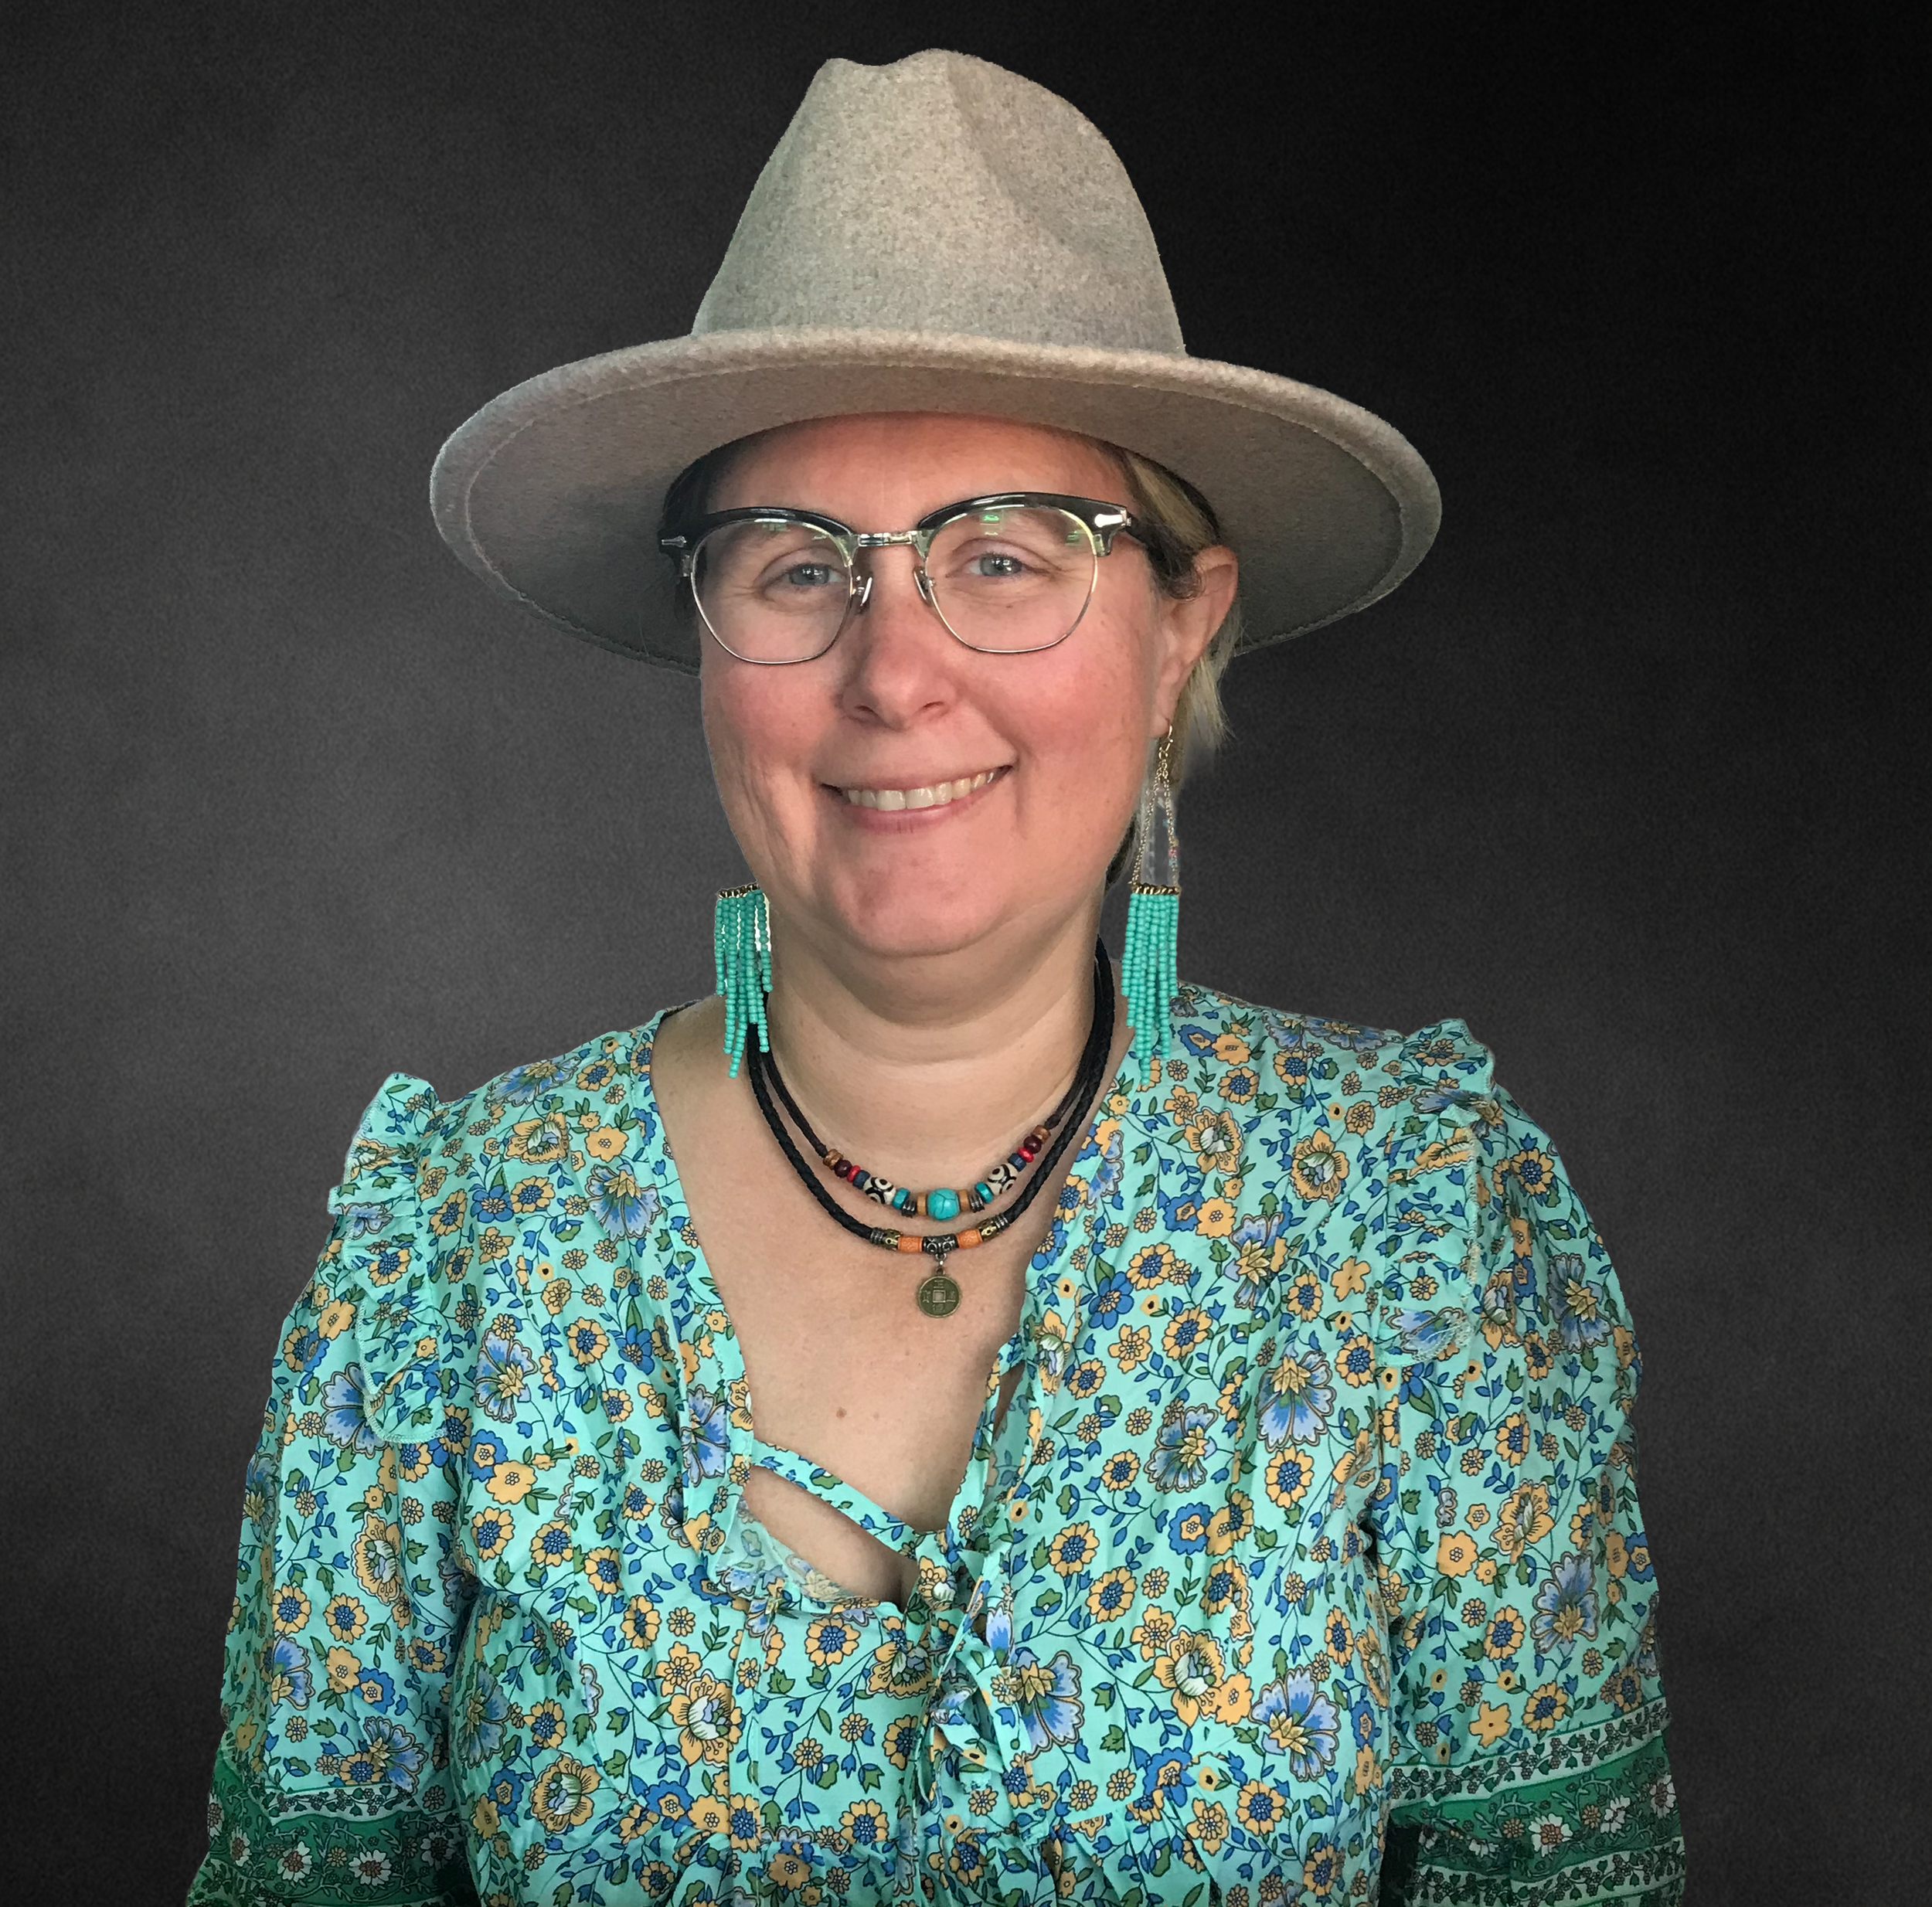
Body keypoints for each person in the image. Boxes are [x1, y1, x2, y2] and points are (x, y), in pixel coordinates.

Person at [189, 49, 1684, 1907]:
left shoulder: (1410, 1221)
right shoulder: (448, 1250)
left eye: (1001, 556)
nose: (893, 675)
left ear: (1175, 630)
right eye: (796, 565)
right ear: (704, 630)